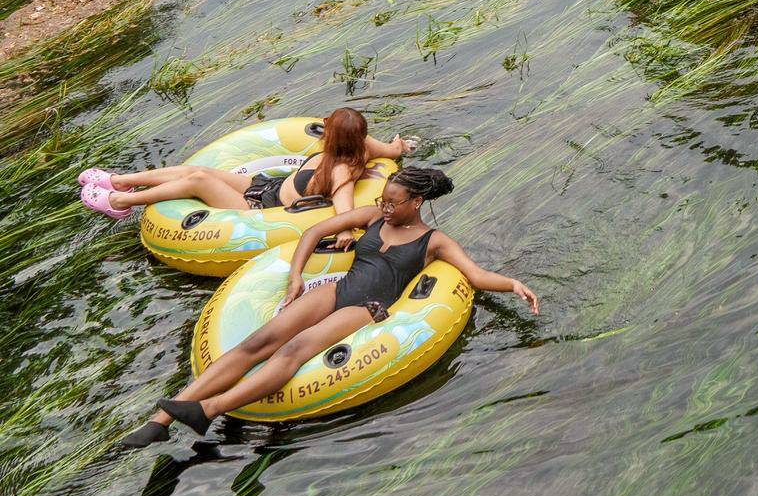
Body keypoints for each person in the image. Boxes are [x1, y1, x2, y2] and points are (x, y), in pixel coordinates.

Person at [115, 166, 538, 448]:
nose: (386, 207)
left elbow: (477, 276)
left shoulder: (435, 241)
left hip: (369, 307)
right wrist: (298, 274)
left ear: (416, 203)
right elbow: (316, 230)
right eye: (385, 201)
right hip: (339, 288)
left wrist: (513, 284)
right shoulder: (374, 216)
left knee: (293, 352)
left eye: (394, 203)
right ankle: (159, 422)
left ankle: (207, 410)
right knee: (258, 340)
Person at [80, 108, 413, 223]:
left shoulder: (342, 170)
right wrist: (404, 145)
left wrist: (347, 230)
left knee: (198, 180)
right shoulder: (365, 145)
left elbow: (344, 210)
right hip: (265, 185)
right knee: (202, 171)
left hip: (258, 209)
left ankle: (121, 203)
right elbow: (393, 149)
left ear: (332, 131)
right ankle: (121, 180)